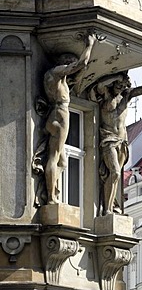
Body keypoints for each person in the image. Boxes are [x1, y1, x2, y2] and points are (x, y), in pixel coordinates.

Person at [43, 33, 96, 205]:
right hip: (60, 113)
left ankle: (54, 192)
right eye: (69, 61)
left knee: (63, 161)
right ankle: (51, 197)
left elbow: (79, 75)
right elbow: (82, 64)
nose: (71, 64)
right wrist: (89, 45)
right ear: (63, 63)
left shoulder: (57, 78)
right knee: (54, 156)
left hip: (55, 114)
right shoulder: (57, 72)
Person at [96, 64, 142, 215]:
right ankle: (107, 210)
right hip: (108, 139)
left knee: (115, 176)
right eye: (118, 84)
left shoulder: (126, 96)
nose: (120, 87)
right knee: (114, 173)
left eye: (123, 85)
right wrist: (116, 76)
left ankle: (113, 206)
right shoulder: (106, 94)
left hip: (122, 141)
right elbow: (100, 84)